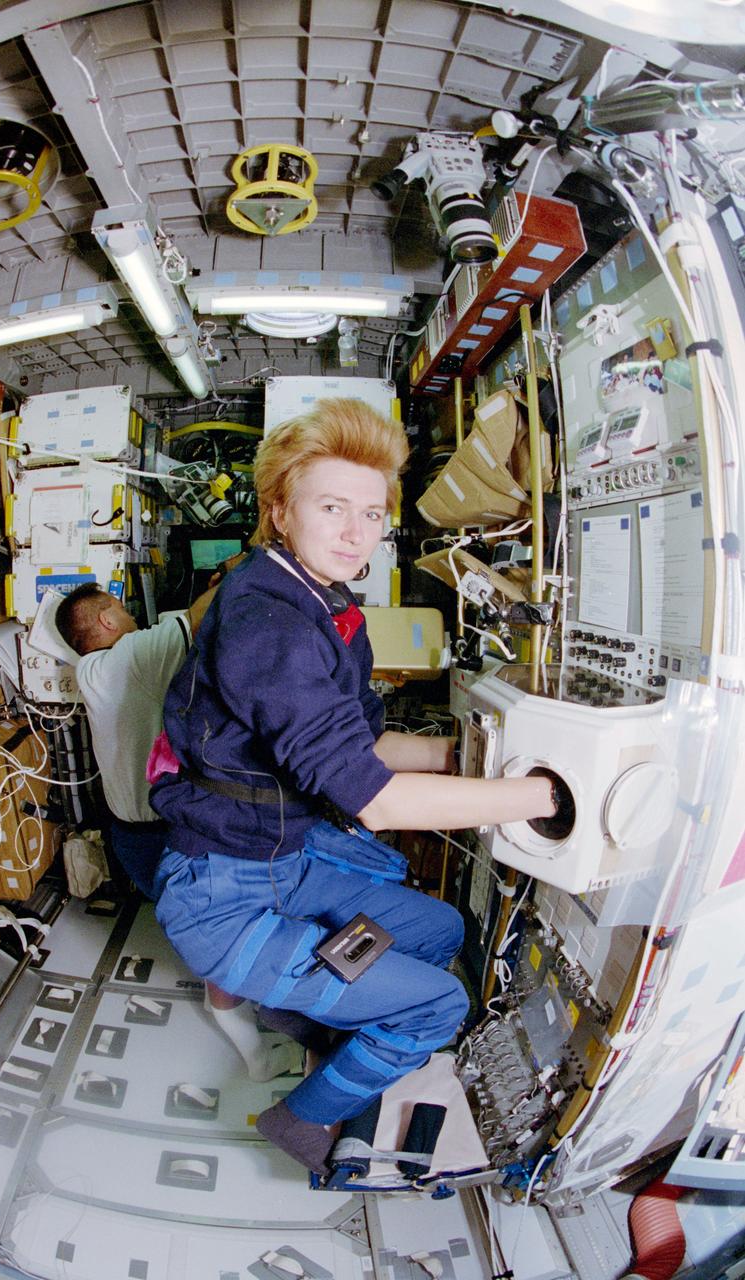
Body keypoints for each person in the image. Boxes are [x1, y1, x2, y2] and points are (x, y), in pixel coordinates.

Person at [149, 398, 559, 1173]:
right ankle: (302, 1120)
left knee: (438, 933)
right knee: (441, 1004)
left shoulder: (328, 605)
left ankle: (331, 1012)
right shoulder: (266, 618)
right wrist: (541, 798)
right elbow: (374, 795)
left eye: (370, 514)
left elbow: (367, 742)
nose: (353, 533)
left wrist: (466, 759)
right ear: (279, 510)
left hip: (281, 860)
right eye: (331, 507)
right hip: (220, 895)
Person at [54, 578, 301, 1083]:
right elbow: (194, 618)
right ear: (105, 621)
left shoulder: (94, 671)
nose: (130, 618)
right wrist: (256, 560)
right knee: (219, 943)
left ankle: (252, 1011)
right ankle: (257, 1059)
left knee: (217, 935)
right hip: (156, 838)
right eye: (121, 611)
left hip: (133, 832)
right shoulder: (121, 659)